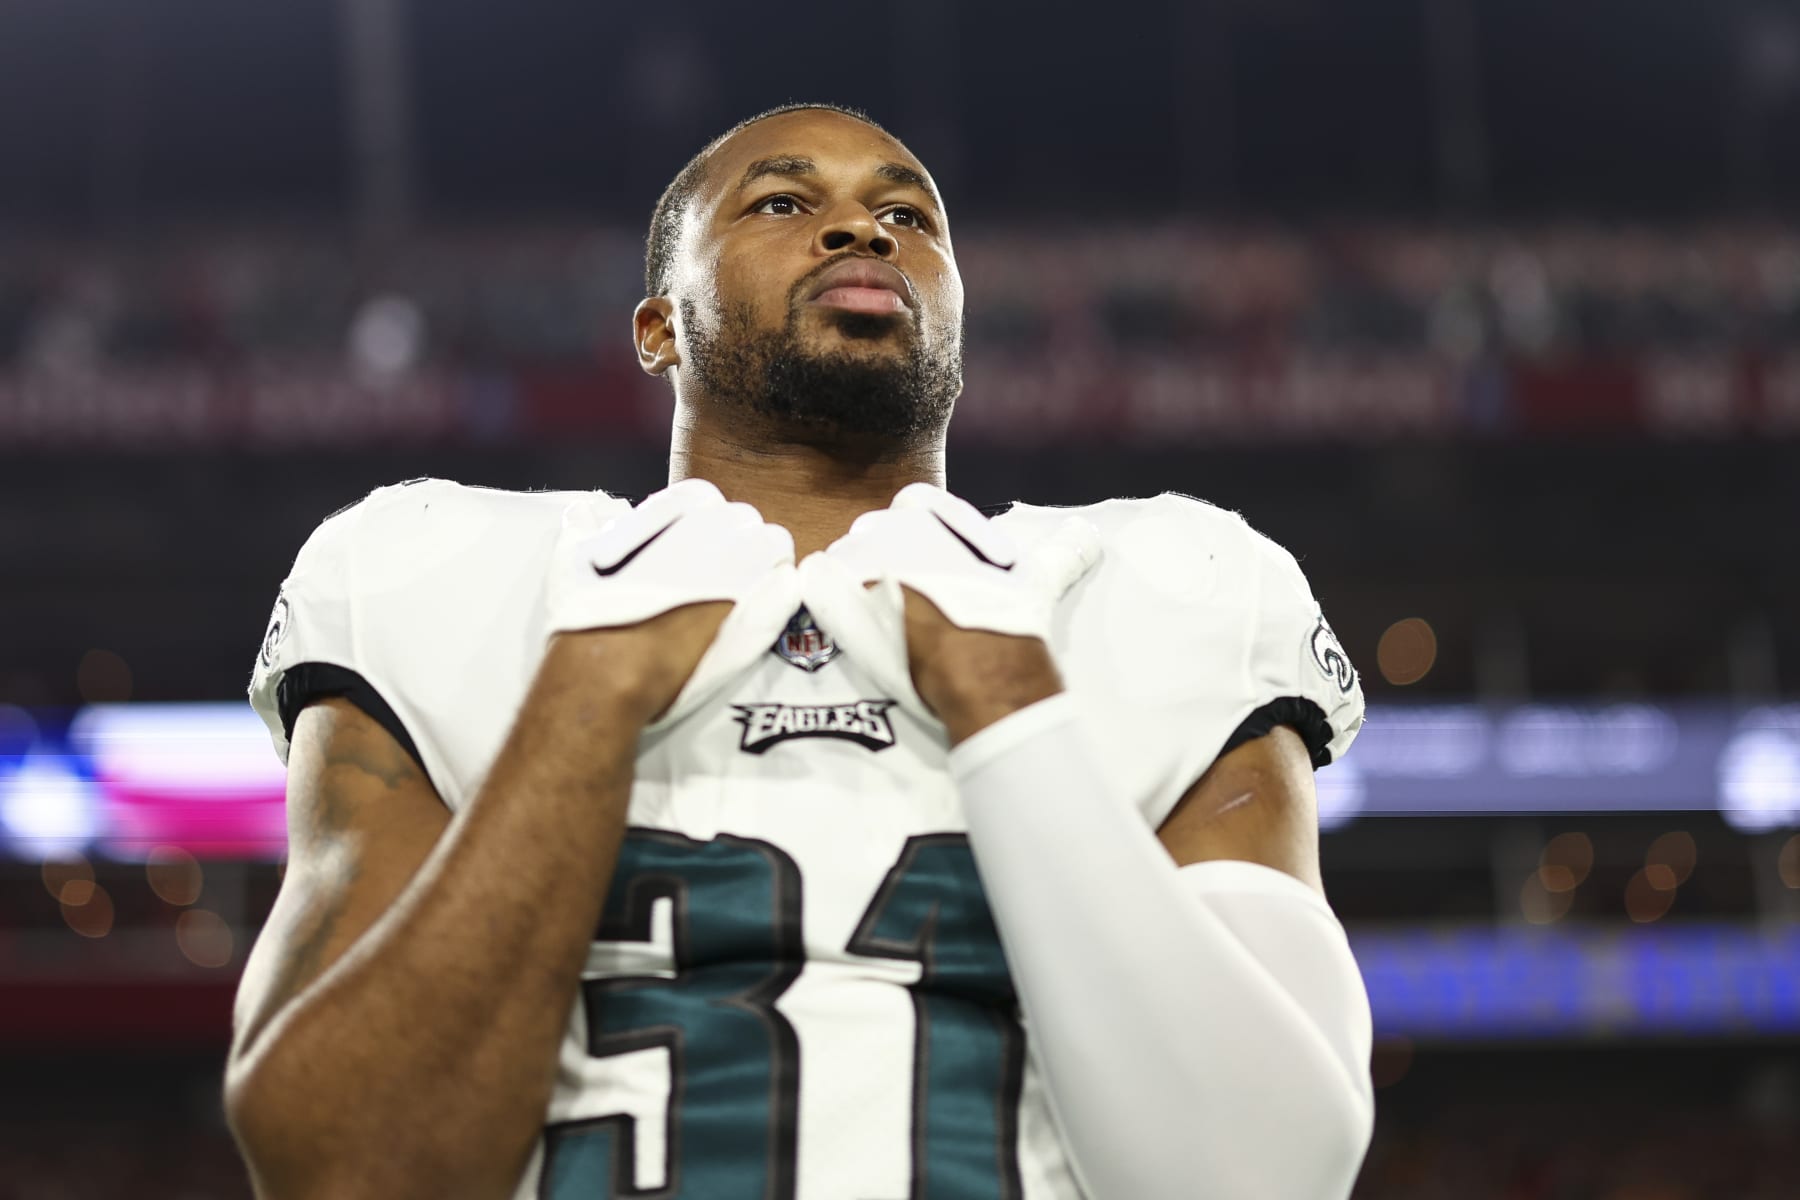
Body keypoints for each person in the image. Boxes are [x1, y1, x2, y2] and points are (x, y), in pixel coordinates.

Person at [224, 102, 1374, 1200]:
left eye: (909, 215)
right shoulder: (435, 568)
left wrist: (1012, 703)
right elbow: (344, 1171)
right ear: (657, 327)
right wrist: (593, 688)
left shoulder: (1172, 581)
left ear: (961, 332)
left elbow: (1263, 1175)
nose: (860, 227)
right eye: (779, 203)